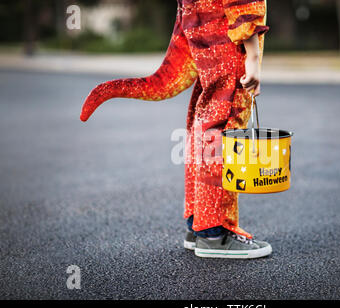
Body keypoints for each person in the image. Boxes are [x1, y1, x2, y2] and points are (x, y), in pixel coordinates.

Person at [80, 0, 271, 259]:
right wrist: (253, 56)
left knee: (203, 123)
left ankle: (199, 224)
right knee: (220, 128)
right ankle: (214, 234)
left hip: (203, 36)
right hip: (227, 41)